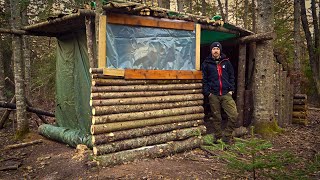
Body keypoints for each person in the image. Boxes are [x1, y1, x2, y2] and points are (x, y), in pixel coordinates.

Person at [202, 42, 238, 144]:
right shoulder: (206, 63)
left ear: (220, 50)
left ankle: (226, 136)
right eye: (213, 49)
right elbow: (204, 79)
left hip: (226, 93)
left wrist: (231, 90)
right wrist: (207, 92)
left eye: (217, 49)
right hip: (213, 94)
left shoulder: (226, 62)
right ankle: (218, 137)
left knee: (233, 115)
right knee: (216, 118)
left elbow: (232, 76)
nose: (215, 51)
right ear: (211, 51)